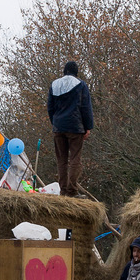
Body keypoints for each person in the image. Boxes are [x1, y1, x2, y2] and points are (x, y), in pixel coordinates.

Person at [46, 61, 94, 197]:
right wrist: (88, 127)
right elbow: (85, 107)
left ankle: (63, 191)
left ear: (64, 71)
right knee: (74, 159)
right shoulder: (81, 84)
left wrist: (54, 123)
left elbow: (50, 107)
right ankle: (72, 191)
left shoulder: (54, 85)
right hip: (75, 127)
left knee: (61, 160)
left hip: (58, 127)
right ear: (76, 72)